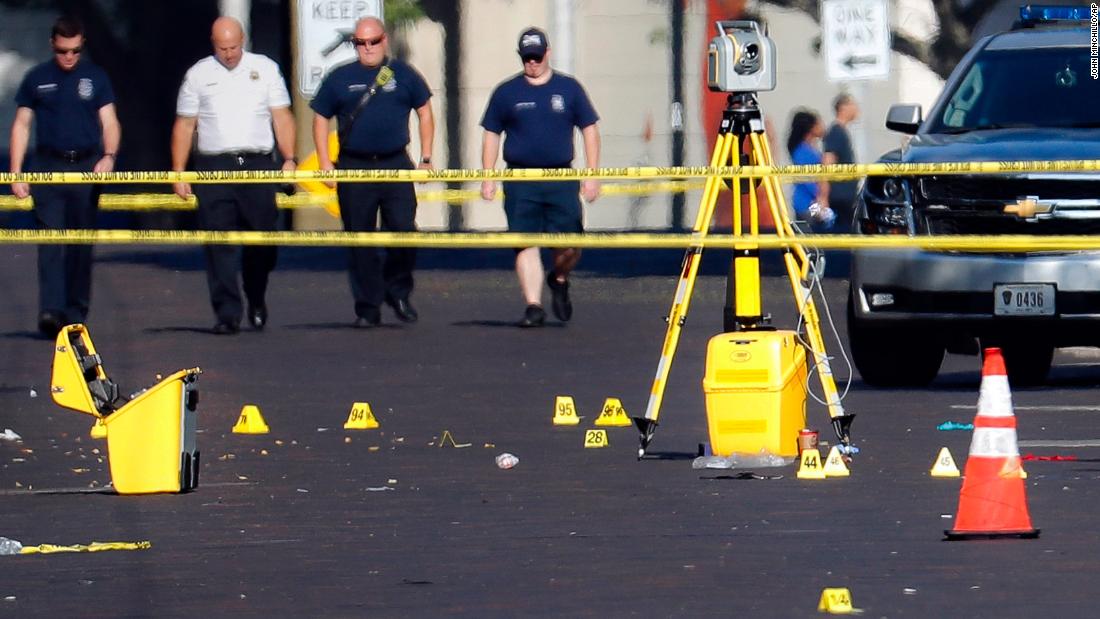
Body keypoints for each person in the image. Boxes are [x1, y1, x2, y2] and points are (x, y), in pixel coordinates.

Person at [171, 16, 296, 335]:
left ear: (244, 40)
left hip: (256, 163)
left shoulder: (265, 68)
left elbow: (281, 116)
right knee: (219, 243)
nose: (229, 54)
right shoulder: (198, 74)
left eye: (235, 47)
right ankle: (227, 312)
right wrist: (179, 171)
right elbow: (185, 125)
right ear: (214, 44)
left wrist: (289, 159)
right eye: (223, 48)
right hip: (215, 166)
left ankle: (256, 296)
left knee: (263, 238)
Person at [311, 16, 434, 328]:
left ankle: (398, 291)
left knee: (404, 231)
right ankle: (368, 306)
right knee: (359, 239)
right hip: (355, 165)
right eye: (361, 43)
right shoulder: (340, 77)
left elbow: (424, 111)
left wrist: (427, 157)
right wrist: (326, 161)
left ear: (384, 40)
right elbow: (320, 117)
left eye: (373, 41)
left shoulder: (403, 74)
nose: (367, 48)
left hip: (395, 162)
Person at [480, 27, 601, 328]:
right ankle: (533, 305)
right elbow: (491, 134)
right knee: (525, 241)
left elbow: (589, 129)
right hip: (521, 178)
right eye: (526, 58)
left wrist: (593, 174)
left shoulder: (569, 89)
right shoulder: (506, 92)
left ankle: (559, 278)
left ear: (547, 53)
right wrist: (487, 175)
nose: (532, 63)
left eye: (536, 57)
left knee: (570, 244)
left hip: (560, 176)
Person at [8, 16, 120, 337]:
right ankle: (51, 311)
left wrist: (108, 156)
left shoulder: (96, 78)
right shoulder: (37, 78)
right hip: (48, 166)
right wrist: (16, 172)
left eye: (75, 51)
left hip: (85, 166)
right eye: (62, 51)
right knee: (51, 241)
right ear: (52, 45)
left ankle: (75, 312)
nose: (69, 58)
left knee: (80, 245)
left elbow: (110, 122)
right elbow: (21, 125)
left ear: (82, 45)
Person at [786, 109, 834, 232]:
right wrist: (821, 195)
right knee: (826, 224)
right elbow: (807, 179)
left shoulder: (810, 149)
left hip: (813, 201)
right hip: (808, 203)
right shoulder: (802, 151)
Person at [822, 93, 860, 232]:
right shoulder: (836, 132)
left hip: (846, 199)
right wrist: (823, 197)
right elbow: (827, 163)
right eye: (853, 104)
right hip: (839, 200)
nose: (856, 108)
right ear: (843, 107)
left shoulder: (842, 131)